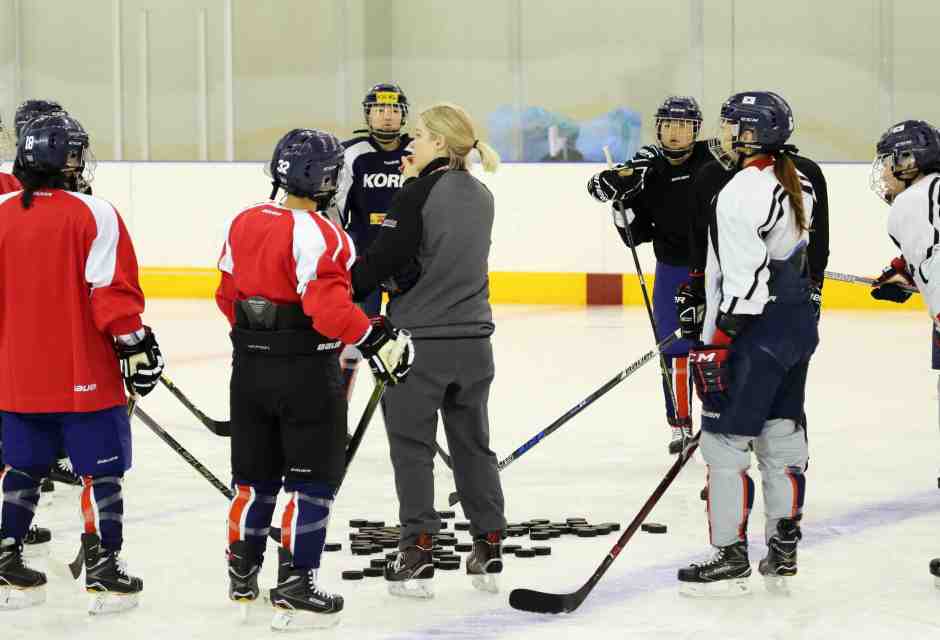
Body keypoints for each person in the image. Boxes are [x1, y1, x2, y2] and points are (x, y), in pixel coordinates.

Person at [215, 128, 413, 630]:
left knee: (253, 479)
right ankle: (297, 583)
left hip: (249, 371)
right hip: (307, 374)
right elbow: (327, 311)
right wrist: (372, 338)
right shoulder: (325, 234)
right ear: (323, 178)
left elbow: (226, 294)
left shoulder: (244, 220)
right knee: (311, 484)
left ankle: (243, 574)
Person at [0, 114, 163, 613]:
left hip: (15, 378)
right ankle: (104, 572)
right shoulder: (95, 213)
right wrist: (138, 347)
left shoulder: (0, 209)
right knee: (102, 474)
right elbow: (112, 299)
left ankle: (6, 565)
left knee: (20, 469)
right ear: (69, 158)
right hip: (84, 376)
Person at [350, 102, 506, 598]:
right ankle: (488, 541)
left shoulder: (416, 193)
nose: (410, 143)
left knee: (413, 450)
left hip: (420, 346)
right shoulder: (482, 194)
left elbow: (381, 261)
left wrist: (334, 293)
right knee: (472, 445)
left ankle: (417, 550)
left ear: (439, 143)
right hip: (475, 344)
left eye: (418, 135)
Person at [676, 92, 816, 596]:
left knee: (724, 444)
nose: (726, 133)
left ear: (751, 133)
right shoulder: (798, 179)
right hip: (794, 324)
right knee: (780, 438)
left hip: (752, 332)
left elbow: (744, 277)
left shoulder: (742, 190)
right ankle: (783, 550)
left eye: (733, 125)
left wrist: (718, 340)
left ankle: (729, 553)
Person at [586, 96, 712, 453]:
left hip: (717, 269)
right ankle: (680, 424)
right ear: (658, 128)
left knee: (718, 345)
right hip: (672, 270)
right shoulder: (647, 169)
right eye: (669, 125)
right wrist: (619, 206)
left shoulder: (713, 160)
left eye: (684, 125)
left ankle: (722, 422)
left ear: (696, 130)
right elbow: (633, 236)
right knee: (674, 349)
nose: (675, 133)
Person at [865, 120, 940, 586]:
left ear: (909, 162)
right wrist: (905, 272)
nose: (885, 173)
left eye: (890, 161)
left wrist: (911, 276)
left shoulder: (911, 204)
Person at [335, 83, 413, 400]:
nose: (386, 116)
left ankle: (403, 416)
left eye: (394, 109)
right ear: (368, 114)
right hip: (363, 266)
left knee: (401, 347)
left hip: (407, 269)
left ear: (403, 115)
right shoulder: (350, 153)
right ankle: (336, 413)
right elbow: (335, 210)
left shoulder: (416, 149)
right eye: (379, 109)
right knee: (351, 343)